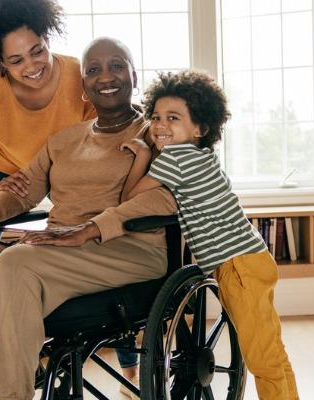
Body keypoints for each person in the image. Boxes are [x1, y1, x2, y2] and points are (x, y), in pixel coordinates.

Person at [0, 37, 177, 400]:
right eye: (93, 70)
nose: (106, 76)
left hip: (131, 248)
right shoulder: (63, 141)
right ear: (84, 86)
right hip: (61, 248)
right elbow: (21, 190)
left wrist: (90, 229)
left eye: (117, 65)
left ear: (134, 76)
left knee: (17, 262)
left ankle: (10, 395)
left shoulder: (158, 134)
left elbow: (163, 199)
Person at [120, 70, 299, 399]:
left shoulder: (174, 158)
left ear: (200, 128)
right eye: (155, 117)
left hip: (237, 266)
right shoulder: (202, 156)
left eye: (173, 118)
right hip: (253, 257)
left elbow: (130, 195)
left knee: (261, 357)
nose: (160, 125)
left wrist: (142, 153)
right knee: (271, 351)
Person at [0, 0, 96, 249]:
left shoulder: (80, 76)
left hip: (60, 169)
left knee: (78, 243)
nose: (32, 66)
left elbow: (103, 144)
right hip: (1, 173)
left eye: (37, 51)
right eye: (16, 60)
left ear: (47, 38)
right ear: (0, 61)